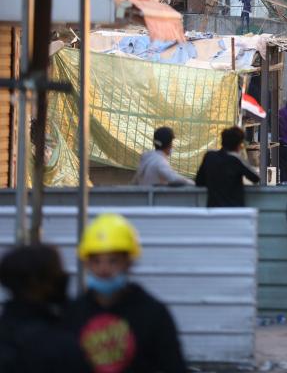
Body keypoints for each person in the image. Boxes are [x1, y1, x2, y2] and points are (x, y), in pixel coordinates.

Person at [67, 214, 187, 372]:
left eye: (113, 261)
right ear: (87, 264)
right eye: (96, 261)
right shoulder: (74, 314)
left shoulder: (153, 314)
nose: (104, 270)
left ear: (128, 263)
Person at [0, 245, 88, 373]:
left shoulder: (7, 330)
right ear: (37, 282)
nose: (63, 276)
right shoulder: (59, 345)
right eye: (56, 272)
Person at [195, 126, 260, 207]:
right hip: (233, 210)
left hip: (213, 210)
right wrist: (240, 157)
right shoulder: (236, 160)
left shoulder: (209, 156)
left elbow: (199, 181)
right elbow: (255, 178)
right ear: (239, 145)